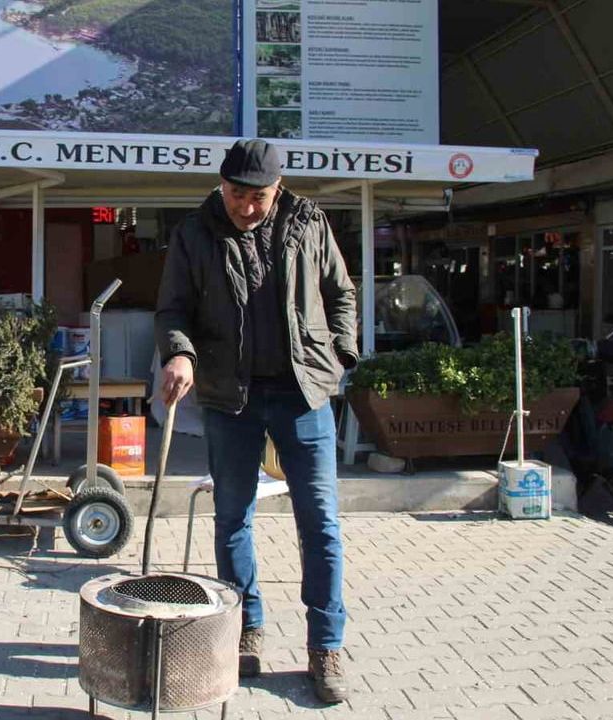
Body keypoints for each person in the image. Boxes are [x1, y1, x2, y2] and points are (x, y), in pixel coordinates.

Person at [155, 138, 358, 704]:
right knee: (232, 517)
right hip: (230, 395)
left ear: (279, 188)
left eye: (259, 197)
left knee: (319, 524)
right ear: (221, 186)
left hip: (304, 393)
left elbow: (341, 292)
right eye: (237, 194)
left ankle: (326, 645)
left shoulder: (309, 221)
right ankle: (245, 628)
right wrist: (179, 352)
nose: (247, 206)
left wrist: (341, 353)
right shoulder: (193, 233)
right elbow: (172, 308)